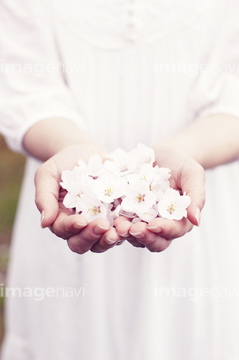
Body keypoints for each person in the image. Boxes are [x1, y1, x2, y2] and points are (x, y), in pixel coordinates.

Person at [0, 0, 239, 359]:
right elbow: (26, 91)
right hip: (72, 205)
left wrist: (178, 156)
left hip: (196, 226)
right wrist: (78, 152)